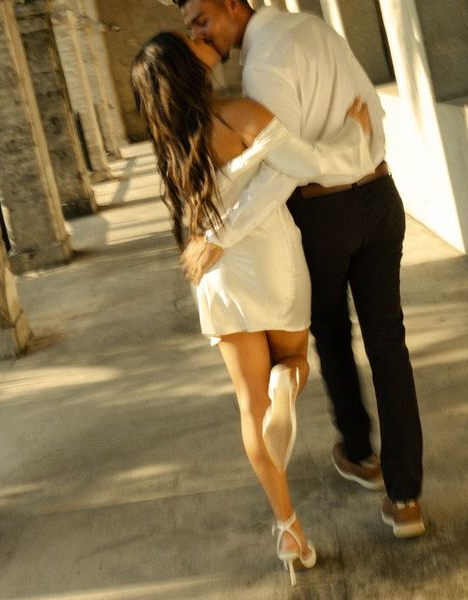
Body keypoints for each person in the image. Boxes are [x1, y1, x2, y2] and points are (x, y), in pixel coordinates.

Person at [175, 0, 426, 538]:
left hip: (323, 211)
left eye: (203, 20)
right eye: (191, 30)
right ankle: (406, 497)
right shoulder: (314, 28)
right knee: (389, 343)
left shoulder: (263, 65)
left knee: (333, 335)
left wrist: (218, 236)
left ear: (234, 4)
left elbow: (278, 174)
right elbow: (371, 111)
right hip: (381, 196)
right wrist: (358, 149)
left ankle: (362, 456)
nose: (200, 36)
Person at [131, 31, 374, 585]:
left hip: (218, 279)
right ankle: (287, 381)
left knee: (249, 407)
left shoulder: (170, 148)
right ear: (188, 73)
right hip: (271, 260)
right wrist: (352, 132)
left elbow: (199, 219)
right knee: (295, 364)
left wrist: (215, 235)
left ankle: (288, 528)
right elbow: (300, 165)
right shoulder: (238, 114)